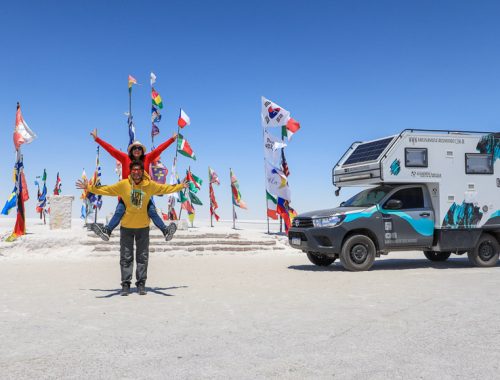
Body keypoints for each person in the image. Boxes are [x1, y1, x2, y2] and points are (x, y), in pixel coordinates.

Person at [76, 160, 188, 296]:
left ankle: (141, 284)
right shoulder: (124, 185)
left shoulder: (149, 185)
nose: (136, 172)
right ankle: (125, 285)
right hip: (127, 227)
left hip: (143, 227)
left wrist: (181, 186)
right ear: (130, 172)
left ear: (142, 172)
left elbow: (165, 188)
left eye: (139, 170)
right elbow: (107, 190)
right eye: (134, 170)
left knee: (142, 257)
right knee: (126, 257)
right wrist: (89, 187)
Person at [90, 129, 177, 241]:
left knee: (152, 211)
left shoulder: (147, 158)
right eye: (134, 148)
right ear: (131, 150)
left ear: (142, 151)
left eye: (139, 148)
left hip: (143, 193)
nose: (137, 150)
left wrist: (171, 139)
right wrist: (97, 139)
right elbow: (111, 149)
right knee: (119, 211)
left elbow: (159, 149)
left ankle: (165, 231)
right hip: (127, 193)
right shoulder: (124, 158)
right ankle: (107, 231)